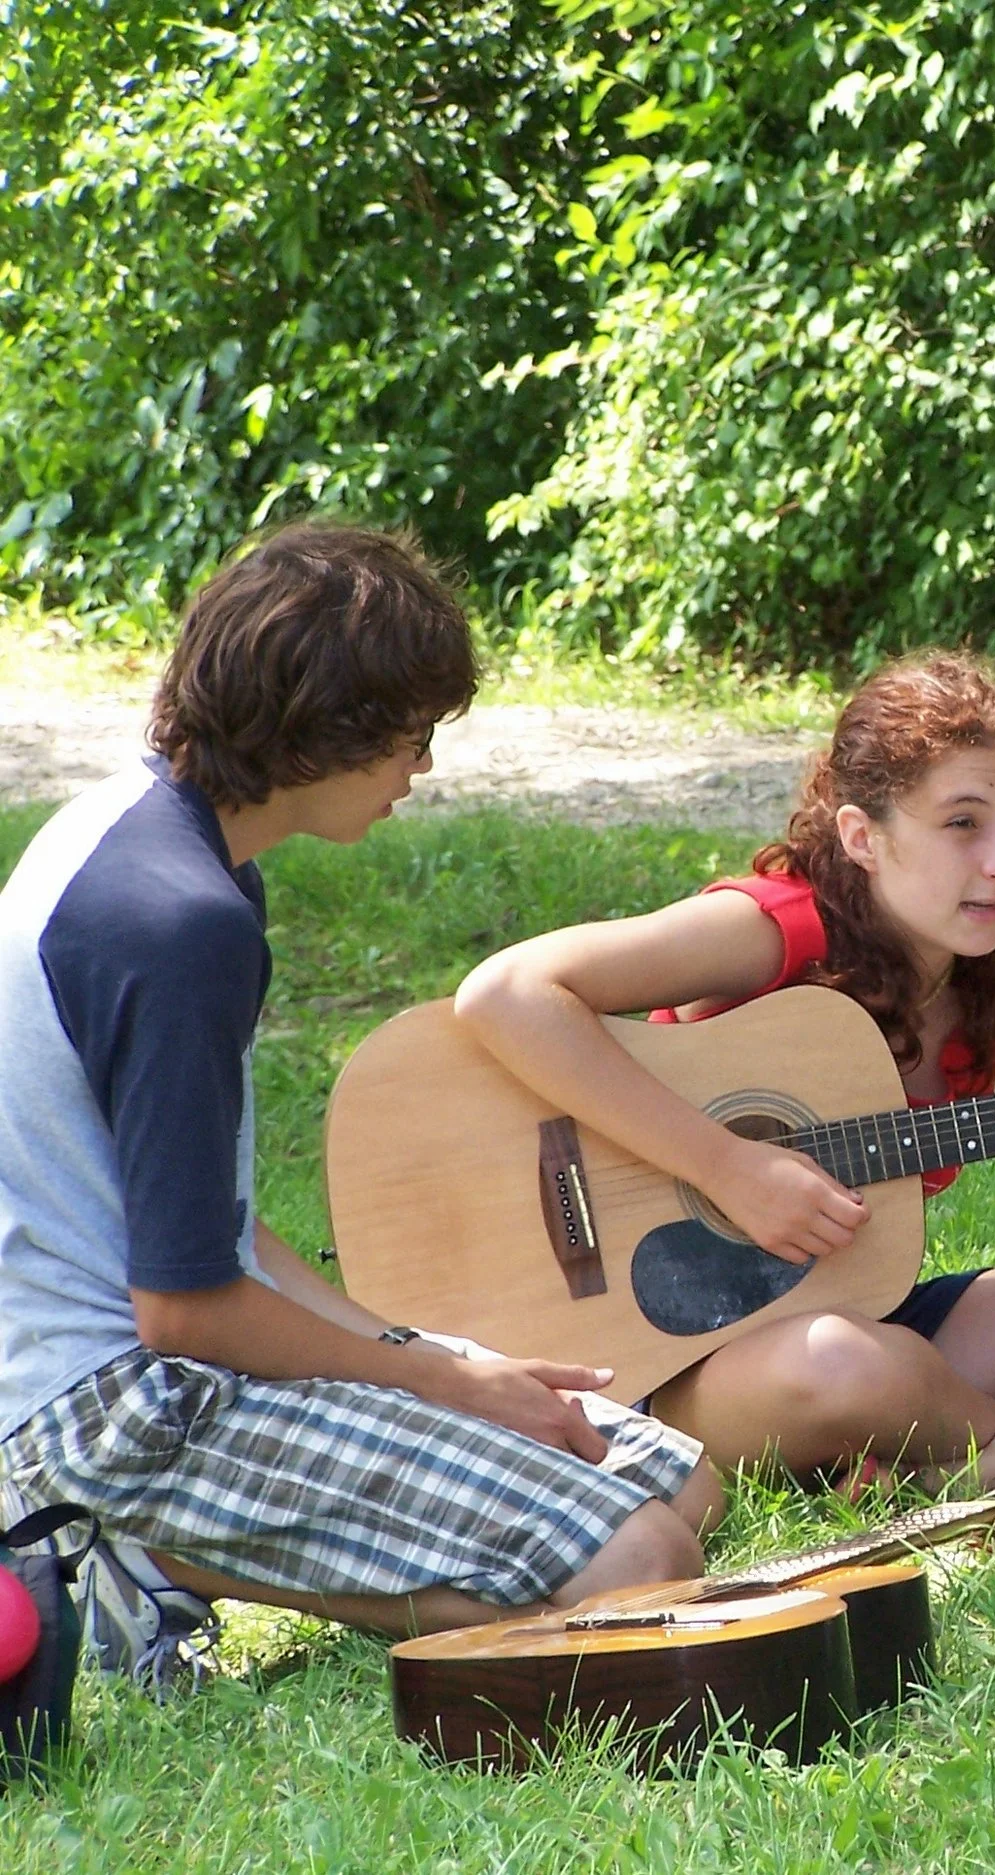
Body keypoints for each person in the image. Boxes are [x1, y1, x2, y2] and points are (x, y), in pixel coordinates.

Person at [0, 524, 723, 1687]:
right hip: (106, 1411)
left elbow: (207, 1230)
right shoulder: (177, 925)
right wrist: (444, 1381)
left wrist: (404, 1346)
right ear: (322, 729)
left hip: (165, 1357)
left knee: (674, 1476)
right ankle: (129, 1558)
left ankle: (164, 1561)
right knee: (640, 1555)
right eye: (410, 736)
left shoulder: (160, 841)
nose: (419, 771)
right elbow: (181, 1314)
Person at [452, 651, 995, 1487]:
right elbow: (507, 993)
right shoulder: (776, 929)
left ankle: (972, 1472)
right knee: (845, 1368)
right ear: (863, 835)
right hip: (677, 1360)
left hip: (870, 1316)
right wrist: (729, 1166)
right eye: (963, 822)